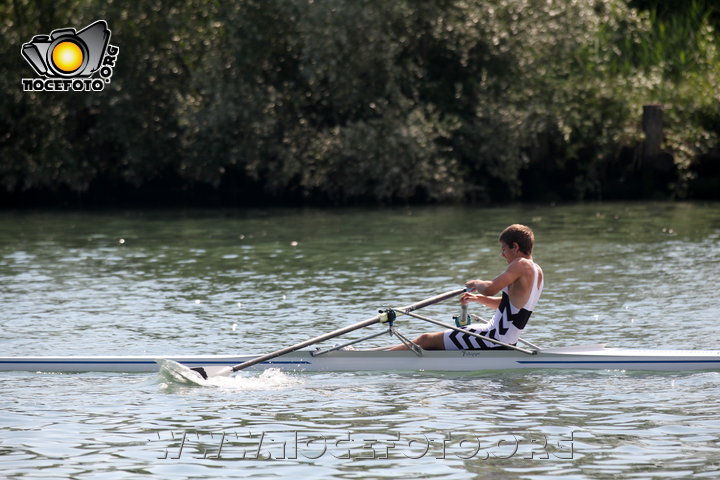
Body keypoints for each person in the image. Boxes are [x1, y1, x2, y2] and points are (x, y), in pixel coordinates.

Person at [390, 224, 543, 350]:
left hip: (493, 339)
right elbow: (509, 307)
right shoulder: (537, 271)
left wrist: (476, 283)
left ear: (515, 247)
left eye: (503, 249)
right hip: (504, 341)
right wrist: (478, 299)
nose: (502, 254)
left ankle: (374, 360)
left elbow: (490, 288)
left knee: (425, 340)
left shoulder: (521, 264)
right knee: (432, 342)